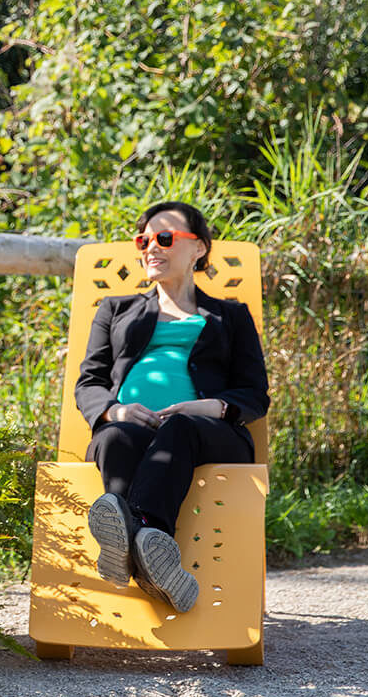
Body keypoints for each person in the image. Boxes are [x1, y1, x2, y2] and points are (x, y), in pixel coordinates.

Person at [75, 200, 269, 613]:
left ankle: (129, 538)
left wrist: (212, 407)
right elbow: (89, 382)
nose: (151, 247)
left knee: (179, 427)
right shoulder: (117, 310)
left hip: (210, 434)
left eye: (165, 238)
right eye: (143, 240)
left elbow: (255, 394)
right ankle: (153, 552)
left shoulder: (230, 316)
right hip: (131, 430)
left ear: (199, 247)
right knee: (112, 437)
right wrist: (115, 411)